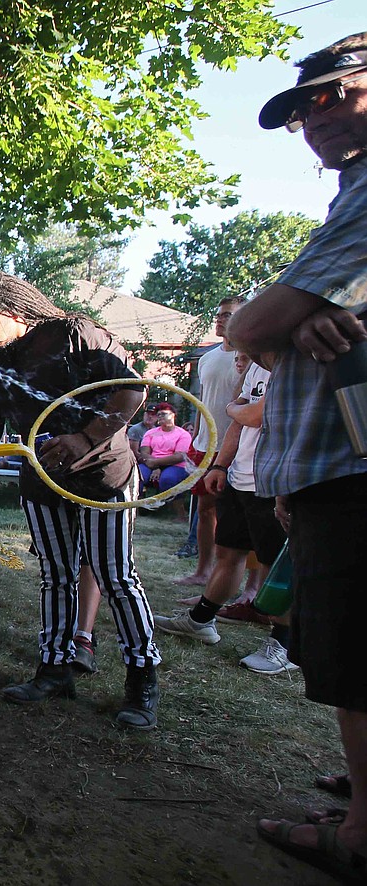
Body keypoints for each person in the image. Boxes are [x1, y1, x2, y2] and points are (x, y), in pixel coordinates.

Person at [227, 33, 367, 879]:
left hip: (355, 474)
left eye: (335, 94)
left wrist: (273, 328)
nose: (314, 119)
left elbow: (247, 328)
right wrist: (295, 333)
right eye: (302, 109)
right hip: (333, 463)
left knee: (354, 661)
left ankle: (358, 840)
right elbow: (272, 338)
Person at [0, 273, 160, 731]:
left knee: (115, 576)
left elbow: (132, 389)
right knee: (55, 577)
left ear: (14, 308)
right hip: (42, 483)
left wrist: (86, 437)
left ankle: (142, 679)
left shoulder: (74, 332)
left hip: (106, 477)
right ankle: (54, 670)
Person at [152, 355, 292, 671]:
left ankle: (284, 643)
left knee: (275, 564)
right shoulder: (257, 368)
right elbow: (238, 423)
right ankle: (201, 620)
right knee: (228, 554)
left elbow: (254, 414)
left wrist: (234, 408)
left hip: (274, 479)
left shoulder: (294, 364)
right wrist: (220, 465)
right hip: (240, 477)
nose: (242, 353)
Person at [174, 298, 246, 585]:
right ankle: (203, 572)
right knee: (205, 510)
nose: (220, 320)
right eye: (219, 315)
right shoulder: (207, 358)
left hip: (238, 446)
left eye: (228, 315)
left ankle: (248, 586)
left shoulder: (251, 357)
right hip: (205, 445)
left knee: (240, 515)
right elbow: (203, 401)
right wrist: (196, 435)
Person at [137, 402, 192, 496]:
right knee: (137, 477)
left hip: (175, 465)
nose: (160, 416)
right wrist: (156, 467)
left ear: (173, 415)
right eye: (158, 414)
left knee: (168, 479)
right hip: (151, 464)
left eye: (163, 414)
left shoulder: (183, 434)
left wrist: (157, 465)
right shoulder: (150, 433)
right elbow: (144, 453)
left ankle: (174, 508)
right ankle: (136, 505)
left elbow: (179, 457)